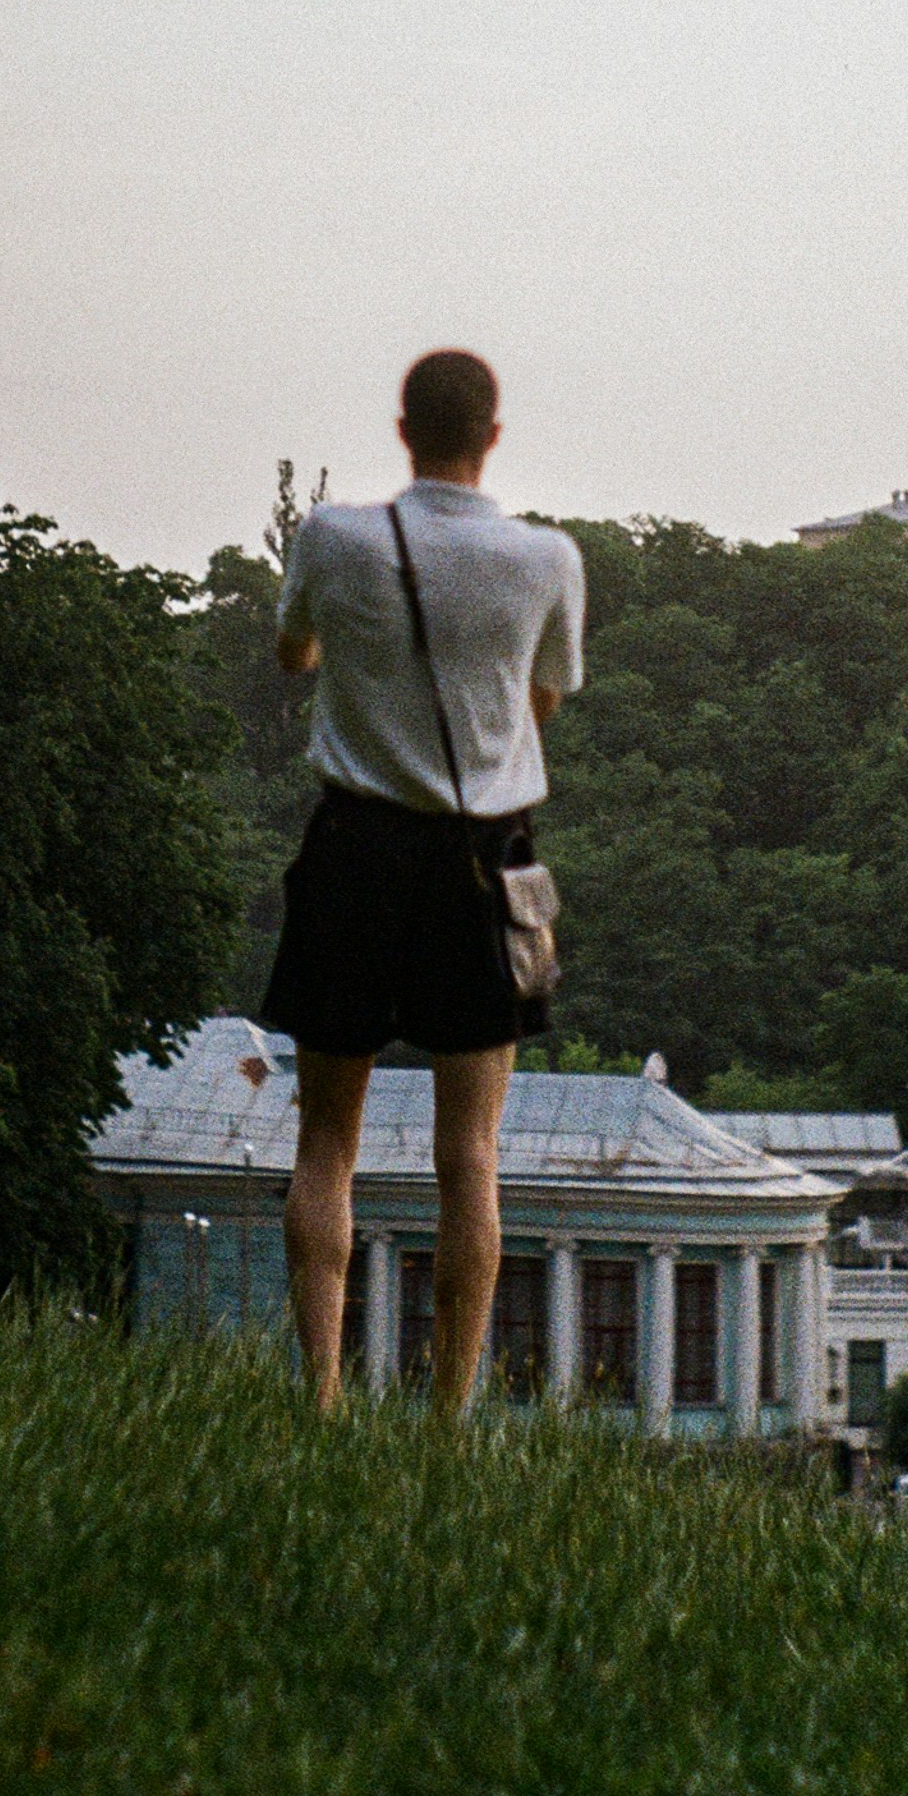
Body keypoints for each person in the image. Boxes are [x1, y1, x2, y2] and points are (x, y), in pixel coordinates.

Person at [264, 348, 585, 1416]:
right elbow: (540, 704)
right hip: (480, 861)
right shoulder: (545, 559)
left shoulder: (334, 537)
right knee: (472, 1154)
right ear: (492, 435)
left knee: (325, 1140)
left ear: (402, 428)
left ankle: (319, 1394)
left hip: (354, 848)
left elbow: (290, 653)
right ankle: (446, 1415)